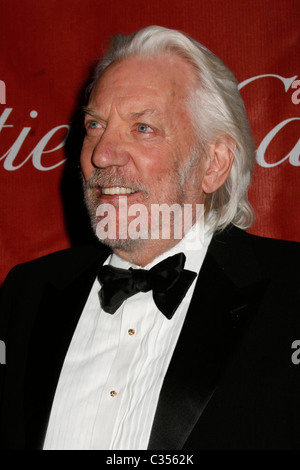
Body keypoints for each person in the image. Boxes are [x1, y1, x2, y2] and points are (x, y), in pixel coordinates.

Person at [0, 25, 299, 451]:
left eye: (142, 128)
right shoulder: (26, 294)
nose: (101, 154)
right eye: (95, 124)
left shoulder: (291, 296)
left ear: (213, 164)